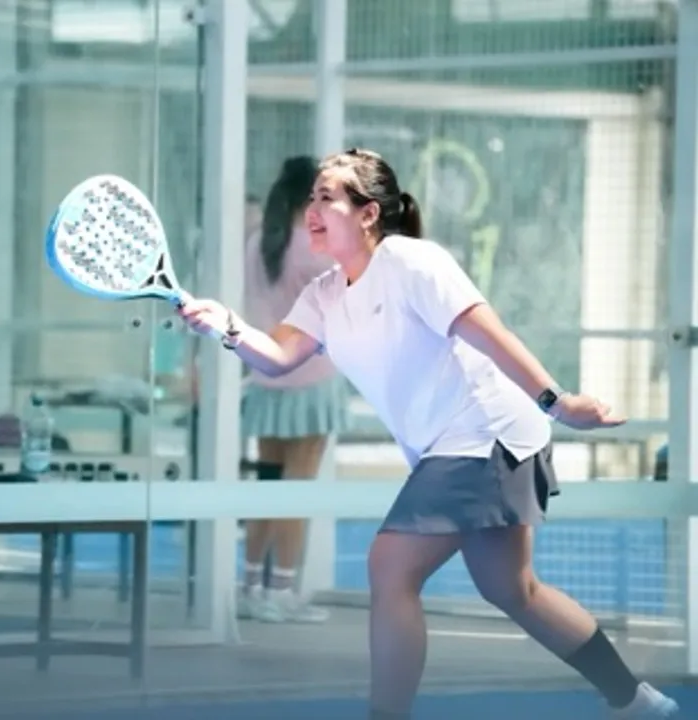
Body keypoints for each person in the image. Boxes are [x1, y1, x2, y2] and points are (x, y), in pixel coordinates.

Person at [177, 148, 680, 719]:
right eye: (311, 197)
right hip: (457, 445)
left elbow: (490, 334)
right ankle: (636, 699)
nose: (312, 209)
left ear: (368, 213)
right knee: (513, 590)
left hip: (487, 431)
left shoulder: (412, 261)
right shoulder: (324, 293)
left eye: (327, 197)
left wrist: (558, 403)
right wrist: (225, 325)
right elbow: (277, 357)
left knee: (390, 565)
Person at [238, 156, 346, 624]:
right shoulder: (315, 248)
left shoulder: (258, 243)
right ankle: (281, 590)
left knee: (267, 487)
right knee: (298, 489)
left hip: (267, 376)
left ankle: (249, 586)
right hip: (312, 378)